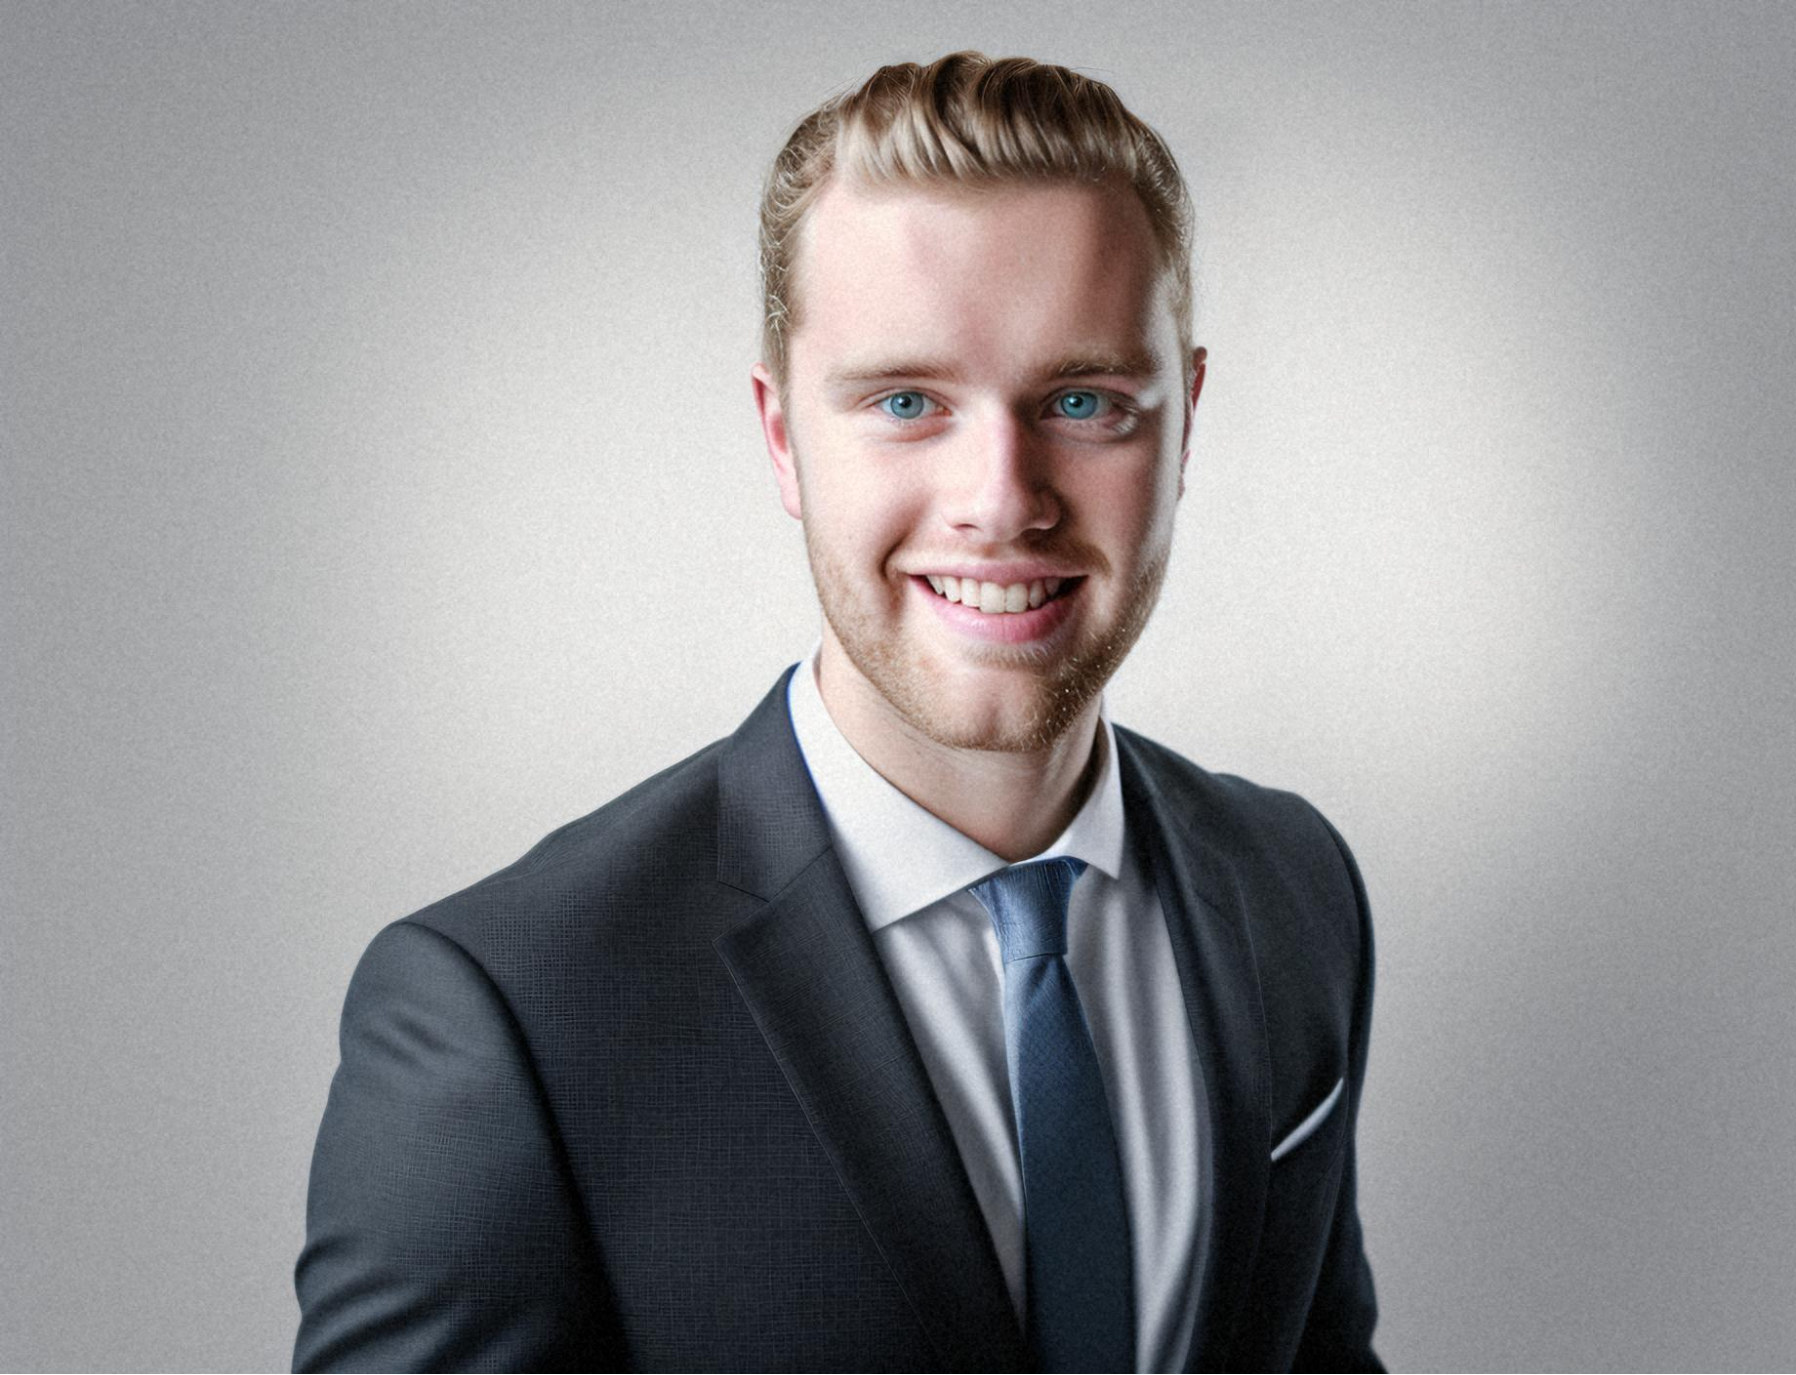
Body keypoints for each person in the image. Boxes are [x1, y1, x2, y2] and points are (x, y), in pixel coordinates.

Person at [292, 50, 1383, 1374]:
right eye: (907, 402)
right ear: (778, 436)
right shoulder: (510, 1017)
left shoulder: (1291, 888)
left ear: (1185, 420)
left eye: (1084, 401)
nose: (1001, 497)